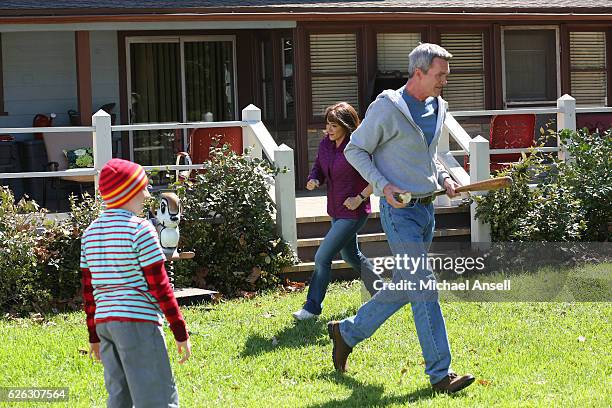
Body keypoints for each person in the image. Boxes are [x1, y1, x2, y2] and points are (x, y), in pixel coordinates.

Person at [326, 43, 475, 394]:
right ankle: (441, 374)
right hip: (399, 213)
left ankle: (345, 333)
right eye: (440, 75)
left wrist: (445, 179)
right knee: (424, 286)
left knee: (409, 285)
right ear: (419, 72)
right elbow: (355, 149)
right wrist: (382, 184)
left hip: (426, 210)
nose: (445, 81)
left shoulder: (438, 107)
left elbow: (430, 156)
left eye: (446, 75)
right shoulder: (387, 108)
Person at [80, 158, 191, 407]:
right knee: (157, 397)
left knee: (120, 397)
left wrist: (94, 336)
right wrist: (179, 330)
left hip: (105, 324)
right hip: (138, 323)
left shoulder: (90, 233)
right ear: (128, 192)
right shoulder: (140, 230)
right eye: (143, 188)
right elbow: (160, 285)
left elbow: (89, 291)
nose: (147, 194)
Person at [292, 102, 380, 321]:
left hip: (354, 213)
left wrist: (359, 198)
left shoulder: (358, 147)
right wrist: (314, 178)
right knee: (352, 256)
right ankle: (382, 293)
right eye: (327, 124)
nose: (328, 129)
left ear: (346, 125)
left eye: (333, 125)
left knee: (322, 256)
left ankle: (311, 308)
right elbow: (320, 168)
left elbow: (375, 178)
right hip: (335, 209)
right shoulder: (325, 144)